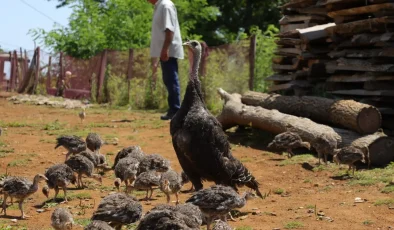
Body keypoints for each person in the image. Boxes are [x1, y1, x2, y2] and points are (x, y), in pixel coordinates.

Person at [147, 0, 184, 120]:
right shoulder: (160, 6)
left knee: (171, 79)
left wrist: (165, 49)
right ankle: (173, 109)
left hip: (169, 51)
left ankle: (175, 110)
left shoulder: (165, 5)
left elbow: (169, 30)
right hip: (165, 50)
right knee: (168, 80)